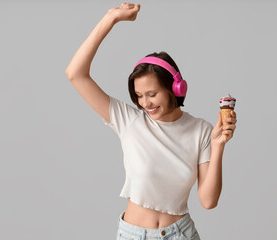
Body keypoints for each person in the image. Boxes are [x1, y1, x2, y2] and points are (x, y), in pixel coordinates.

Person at [65, 3, 237, 240]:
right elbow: (76, 73)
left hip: (181, 234)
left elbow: (208, 201)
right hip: (133, 235)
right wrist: (110, 19)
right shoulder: (129, 121)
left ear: (175, 88)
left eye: (152, 94)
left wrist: (218, 146)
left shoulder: (201, 130)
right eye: (139, 96)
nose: (146, 103)